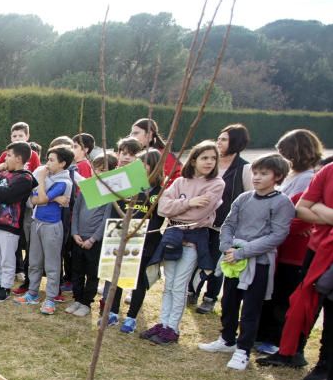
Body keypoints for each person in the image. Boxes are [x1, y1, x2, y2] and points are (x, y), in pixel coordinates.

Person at [197, 154, 295, 370]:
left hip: (257, 264)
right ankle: (227, 339)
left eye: (264, 174)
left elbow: (277, 236)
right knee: (229, 301)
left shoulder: (282, 203)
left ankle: (243, 350)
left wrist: (244, 251)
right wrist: (226, 246)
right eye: (256, 173)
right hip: (233, 259)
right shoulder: (243, 198)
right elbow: (229, 223)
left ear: (277, 176)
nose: (257, 177)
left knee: (251, 307)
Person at [141, 140, 224, 345]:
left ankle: (173, 328)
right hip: (173, 235)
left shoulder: (216, 184)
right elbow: (162, 208)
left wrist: (180, 207)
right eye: (204, 157)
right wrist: (189, 202)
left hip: (194, 239)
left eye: (213, 158)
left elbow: (200, 213)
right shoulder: (180, 182)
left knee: (179, 285)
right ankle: (163, 323)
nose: (209, 162)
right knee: (169, 284)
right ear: (194, 159)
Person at [256, 129, 324, 356]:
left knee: (284, 295)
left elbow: (299, 217)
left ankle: (274, 338)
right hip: (277, 244)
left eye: (282, 151)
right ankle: (261, 333)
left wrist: (275, 228)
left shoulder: (308, 178)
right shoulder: (293, 176)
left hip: (293, 250)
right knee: (271, 292)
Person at [191, 124, 253, 315]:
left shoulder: (244, 168)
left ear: (236, 142)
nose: (219, 142)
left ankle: (210, 298)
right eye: (218, 138)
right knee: (196, 258)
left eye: (224, 139)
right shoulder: (210, 165)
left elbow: (249, 198)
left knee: (217, 262)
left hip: (224, 227)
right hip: (202, 222)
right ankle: (191, 291)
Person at [107, 149, 165, 333]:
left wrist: (138, 233)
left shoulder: (158, 191)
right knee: (116, 276)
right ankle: (112, 313)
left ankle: (131, 317)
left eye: (144, 164)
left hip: (146, 242)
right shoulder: (126, 186)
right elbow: (115, 209)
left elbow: (157, 219)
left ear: (154, 167)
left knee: (138, 279)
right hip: (120, 237)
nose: (139, 168)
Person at [14, 146, 75, 315]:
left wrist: (41, 182)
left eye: (52, 160)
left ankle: (50, 299)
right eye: (47, 159)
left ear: (62, 164)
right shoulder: (48, 177)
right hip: (37, 222)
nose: (47, 163)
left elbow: (41, 198)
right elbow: (32, 198)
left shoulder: (64, 182)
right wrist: (52, 198)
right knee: (34, 260)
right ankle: (32, 293)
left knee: (52, 264)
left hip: (52, 227)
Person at [0, 142, 38, 302]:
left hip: (10, 227)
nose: (5, 158)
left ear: (19, 158)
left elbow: (9, 196)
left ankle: (5, 287)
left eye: (8, 155)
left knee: (6, 258)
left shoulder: (25, 178)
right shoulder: (2, 174)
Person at [65, 154, 118, 318]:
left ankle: (86, 302)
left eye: (104, 170)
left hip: (93, 241)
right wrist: (74, 233)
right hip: (78, 238)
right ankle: (77, 298)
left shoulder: (111, 194)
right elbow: (76, 211)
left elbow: (106, 220)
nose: (100, 173)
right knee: (77, 270)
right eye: (97, 169)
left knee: (92, 273)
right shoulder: (87, 188)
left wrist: (93, 238)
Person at [130, 118, 181, 183]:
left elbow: (178, 178)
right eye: (131, 133)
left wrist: (162, 191)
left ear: (149, 134)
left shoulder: (164, 155)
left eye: (136, 133)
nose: (131, 136)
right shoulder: (132, 153)